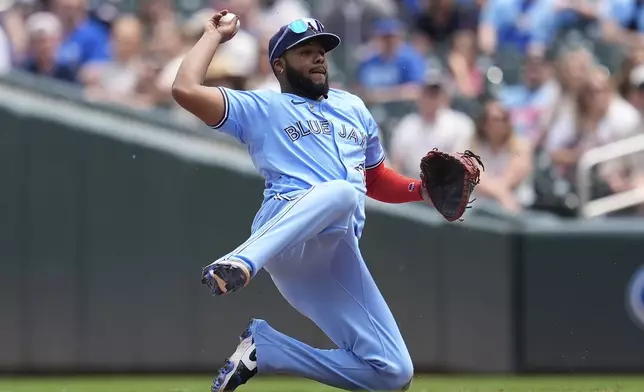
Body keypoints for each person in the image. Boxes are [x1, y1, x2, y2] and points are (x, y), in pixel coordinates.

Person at [172, 10, 435, 392]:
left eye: (321, 50)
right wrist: (212, 35)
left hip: (334, 253)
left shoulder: (354, 108)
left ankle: (268, 350)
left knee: (393, 373)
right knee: (343, 192)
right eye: (304, 51)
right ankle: (240, 261)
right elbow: (185, 90)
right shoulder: (261, 108)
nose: (318, 57)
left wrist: (420, 191)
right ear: (279, 65)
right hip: (282, 232)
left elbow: (375, 179)